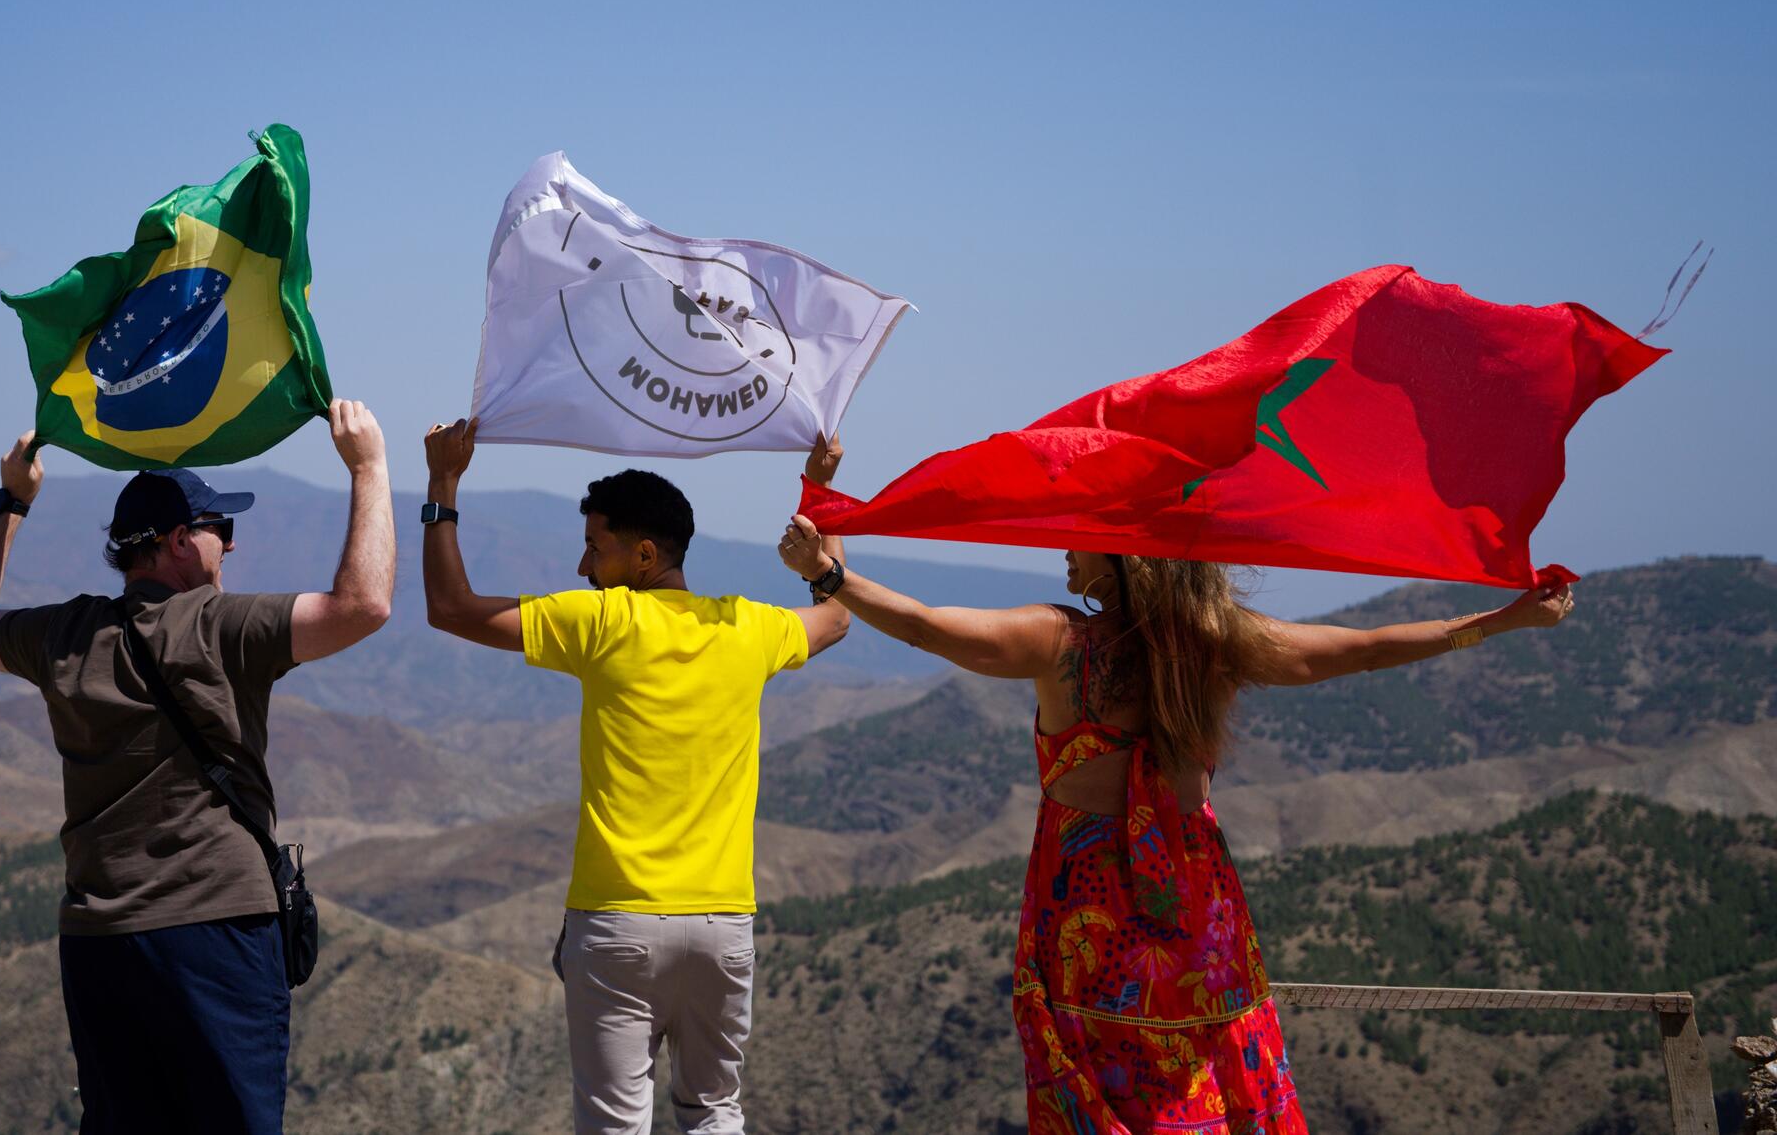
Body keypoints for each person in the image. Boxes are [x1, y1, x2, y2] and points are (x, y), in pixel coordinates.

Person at [775, 512, 1575, 1134]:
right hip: (1197, 908)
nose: (1064, 546)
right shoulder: (1215, 646)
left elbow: (923, 626)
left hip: (1087, 916)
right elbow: (1365, 649)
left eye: (1081, 533)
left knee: (1098, 1082)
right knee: (1207, 1062)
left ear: (1125, 554)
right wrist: (1505, 620)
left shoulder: (1059, 641)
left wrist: (830, 573)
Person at [0, 399, 397, 1135]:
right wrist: (369, 468)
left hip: (99, 940)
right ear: (181, 541)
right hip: (214, 930)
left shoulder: (65, 634)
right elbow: (364, 604)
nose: (231, 547)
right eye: (222, 531)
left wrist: (11, 503)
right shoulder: (219, 626)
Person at [421, 418, 852, 1135]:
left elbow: (450, 608)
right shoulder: (745, 628)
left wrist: (443, 483)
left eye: (595, 547)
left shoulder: (602, 622)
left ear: (644, 555)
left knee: (614, 1124)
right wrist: (822, 492)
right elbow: (835, 615)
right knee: (714, 1114)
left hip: (617, 921)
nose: (582, 566)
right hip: (722, 924)